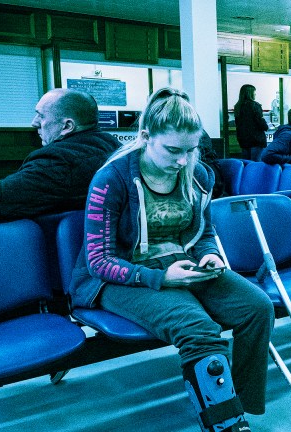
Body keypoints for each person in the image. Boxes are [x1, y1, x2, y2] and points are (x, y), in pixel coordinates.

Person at [68, 88, 274, 431]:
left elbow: (204, 231)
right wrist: (161, 279)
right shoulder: (112, 178)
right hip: (117, 276)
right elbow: (98, 261)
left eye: (190, 150)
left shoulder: (198, 174)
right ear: (146, 137)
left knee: (257, 306)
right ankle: (225, 424)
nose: (182, 160)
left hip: (181, 264)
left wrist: (209, 255)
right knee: (199, 329)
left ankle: (237, 402)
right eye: (173, 150)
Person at [0, 88, 120, 222]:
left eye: (41, 116)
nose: (34, 123)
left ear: (67, 126)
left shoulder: (56, 162)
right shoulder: (115, 148)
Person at [234, 84, 268, 161]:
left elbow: (237, 123)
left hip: (244, 140)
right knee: (256, 163)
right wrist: (266, 126)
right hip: (256, 140)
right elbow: (260, 122)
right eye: (254, 93)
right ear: (250, 93)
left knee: (246, 163)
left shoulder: (238, 106)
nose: (255, 94)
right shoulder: (255, 105)